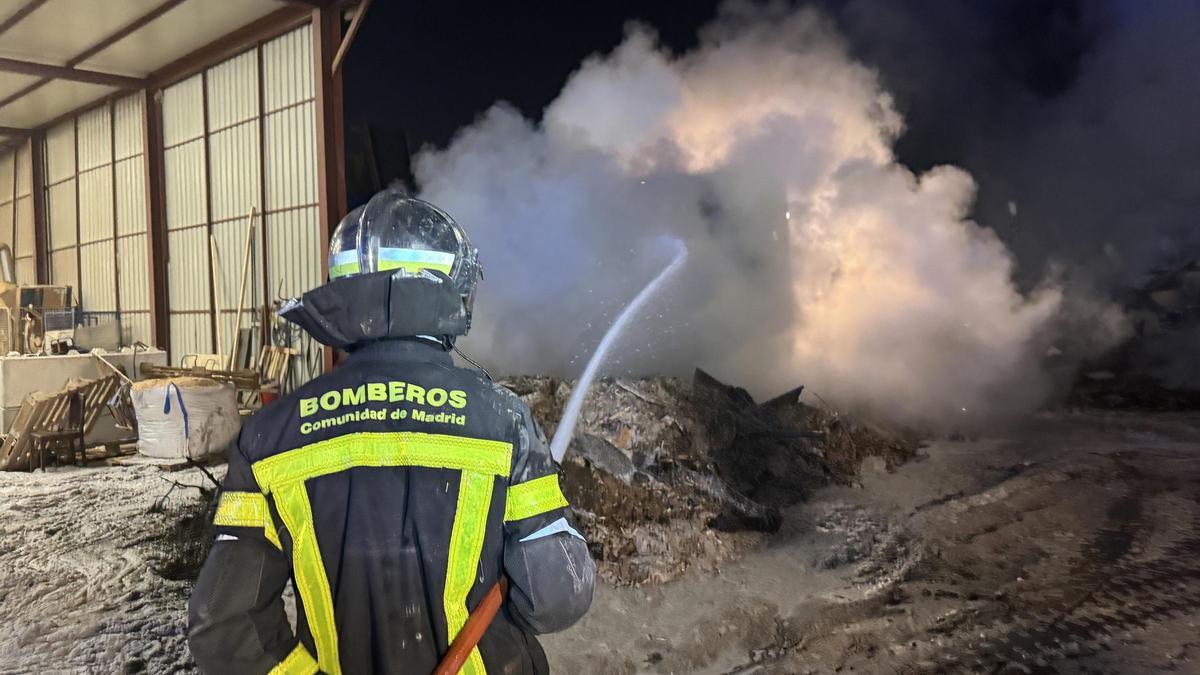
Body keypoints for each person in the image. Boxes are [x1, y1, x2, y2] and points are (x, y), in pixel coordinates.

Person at [188, 188, 595, 674]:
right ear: (447, 292)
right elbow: (556, 598)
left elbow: (222, 625)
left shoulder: (269, 436)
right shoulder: (502, 421)